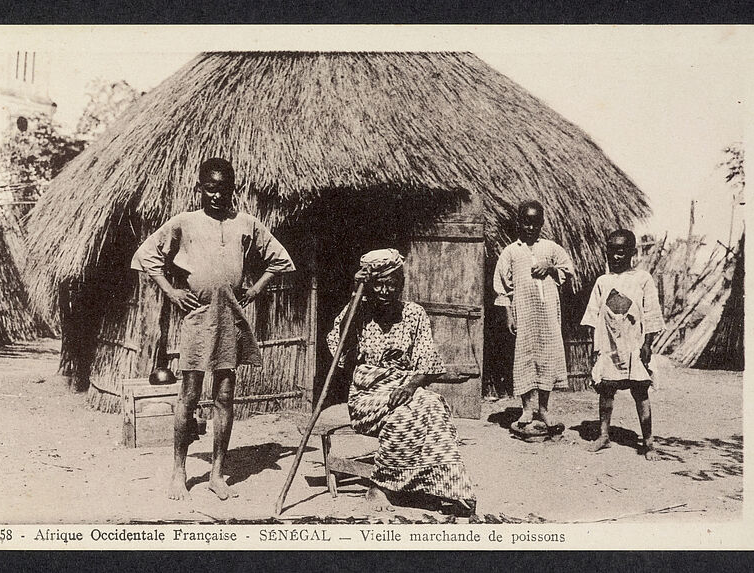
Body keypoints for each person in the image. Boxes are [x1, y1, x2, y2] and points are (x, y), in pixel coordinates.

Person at [131, 157, 295, 500]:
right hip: (197, 316)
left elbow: (279, 259)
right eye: (210, 188)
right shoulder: (184, 223)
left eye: (223, 189)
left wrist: (255, 289)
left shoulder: (246, 223)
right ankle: (179, 471)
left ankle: (217, 473)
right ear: (199, 189)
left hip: (230, 316)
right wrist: (171, 290)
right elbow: (148, 256)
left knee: (224, 396)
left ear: (232, 191)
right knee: (189, 395)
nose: (217, 196)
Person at [327, 249, 477, 516]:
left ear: (401, 283)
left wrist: (409, 386)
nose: (385, 291)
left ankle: (446, 487)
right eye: (378, 284)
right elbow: (341, 350)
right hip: (368, 395)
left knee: (431, 405)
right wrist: (355, 295)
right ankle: (382, 486)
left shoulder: (414, 314)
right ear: (369, 286)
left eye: (392, 284)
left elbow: (428, 363)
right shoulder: (357, 313)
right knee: (410, 412)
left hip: (405, 389)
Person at [581, 229, 665, 460]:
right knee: (606, 390)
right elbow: (592, 316)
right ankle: (604, 435)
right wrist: (594, 349)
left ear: (631, 253)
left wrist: (647, 344)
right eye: (611, 251)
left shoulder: (642, 279)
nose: (615, 256)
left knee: (640, 391)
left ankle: (648, 443)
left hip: (634, 346)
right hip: (609, 346)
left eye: (621, 251)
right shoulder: (603, 281)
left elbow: (651, 314)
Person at [493, 200, 574, 429]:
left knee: (547, 357)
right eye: (526, 222)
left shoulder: (551, 248)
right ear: (519, 222)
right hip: (525, 313)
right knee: (525, 358)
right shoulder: (511, 252)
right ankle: (527, 410)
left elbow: (568, 270)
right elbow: (502, 287)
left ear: (542, 223)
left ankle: (544, 409)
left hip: (547, 313)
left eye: (535, 223)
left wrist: (550, 267)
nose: (530, 228)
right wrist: (509, 315)